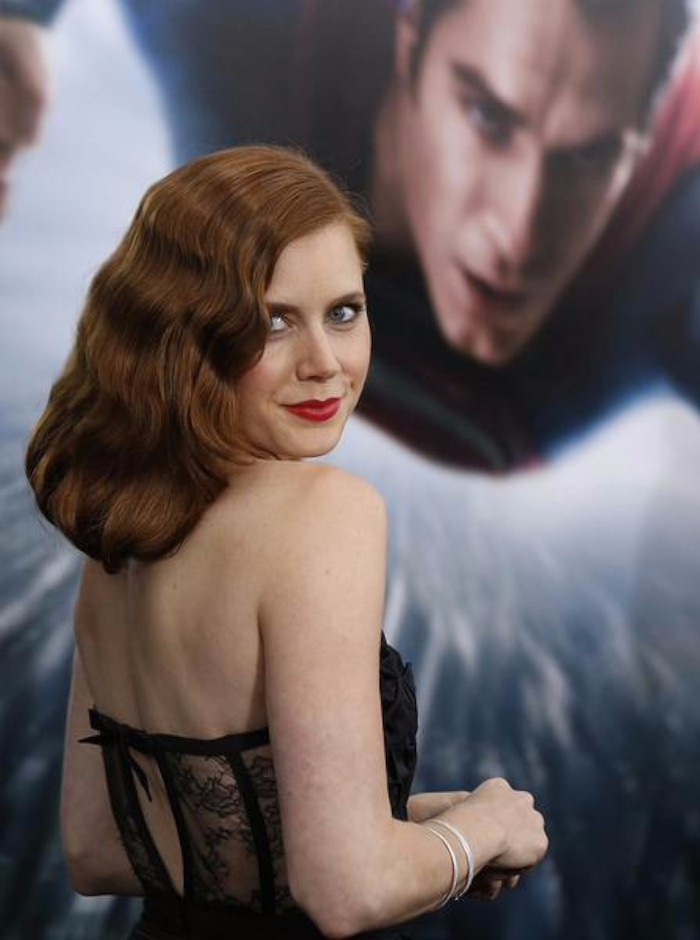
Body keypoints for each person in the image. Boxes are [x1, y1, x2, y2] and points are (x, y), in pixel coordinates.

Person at [24, 145, 548, 939]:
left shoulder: (123, 538)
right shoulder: (323, 513)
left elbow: (101, 850)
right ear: (186, 334)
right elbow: (346, 892)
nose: (325, 364)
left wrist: (392, 822)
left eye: (344, 312)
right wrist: (485, 830)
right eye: (272, 323)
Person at [1, 0, 696, 465]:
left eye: (589, 157)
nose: (518, 235)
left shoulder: (674, 246)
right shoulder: (240, 45)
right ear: (410, 43)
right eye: (487, 117)